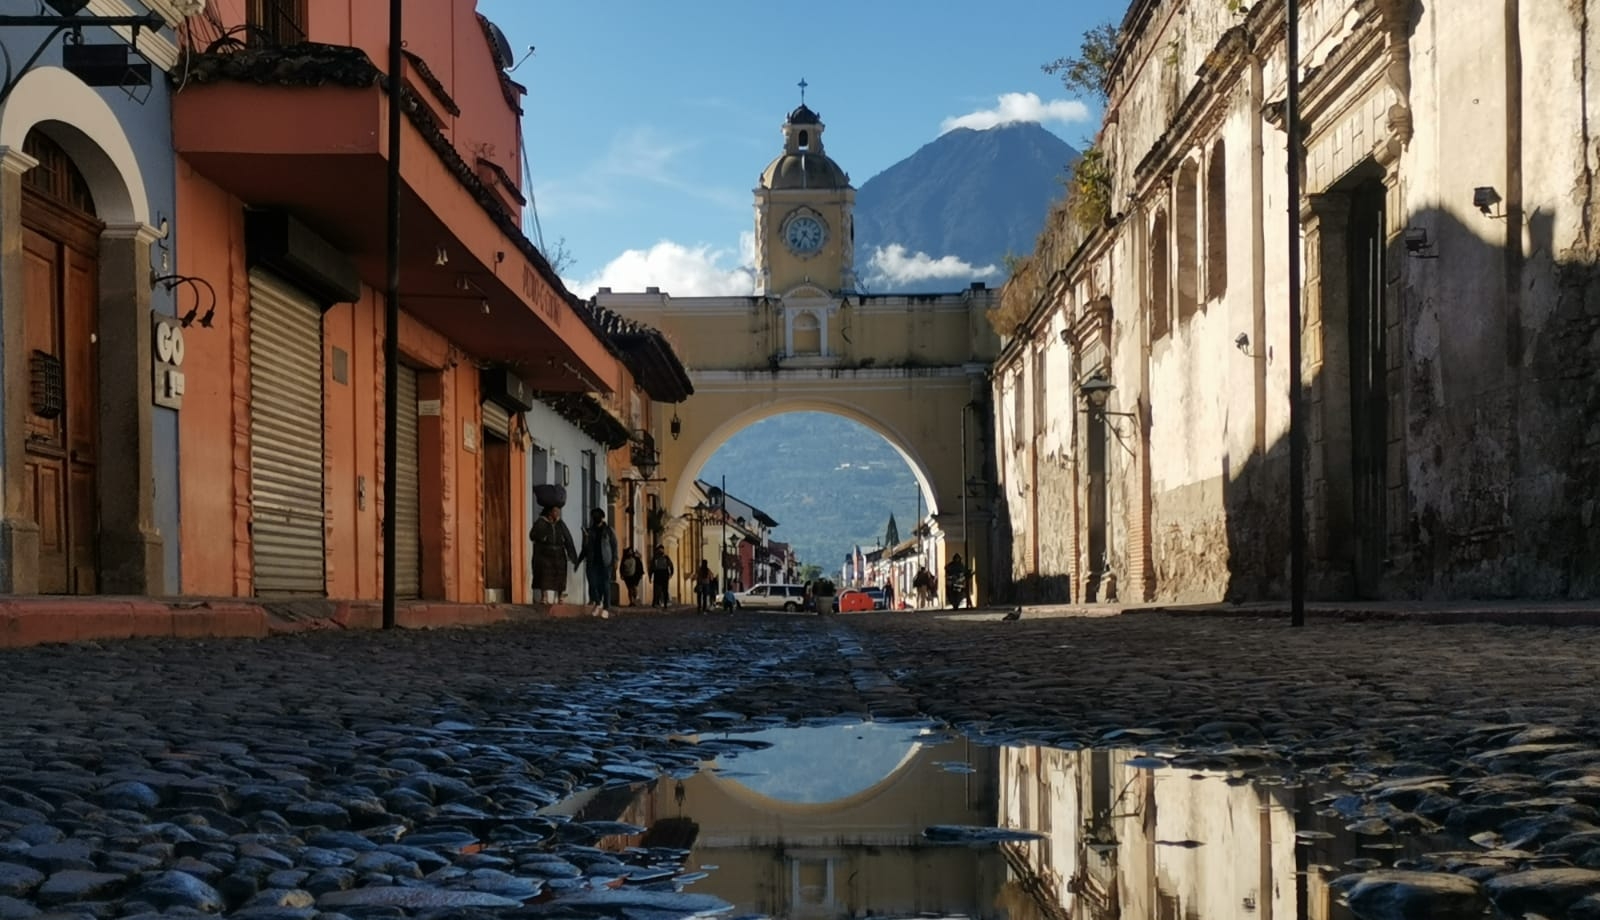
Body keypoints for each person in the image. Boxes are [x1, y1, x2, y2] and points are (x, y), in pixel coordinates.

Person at [529, 501, 577, 605]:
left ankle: (560, 597)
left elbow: (568, 538)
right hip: (545, 554)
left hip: (559, 553)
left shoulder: (560, 524)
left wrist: (572, 554)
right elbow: (533, 535)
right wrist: (542, 537)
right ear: (550, 512)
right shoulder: (541, 522)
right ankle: (544, 597)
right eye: (555, 511)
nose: (557, 513)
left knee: (560, 576)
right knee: (544, 576)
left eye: (558, 511)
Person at [575, 508, 618, 618]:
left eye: (597, 515)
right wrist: (578, 561)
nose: (595, 517)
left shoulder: (609, 530)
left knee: (605, 584)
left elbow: (614, 546)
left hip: (605, 561)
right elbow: (585, 548)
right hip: (592, 561)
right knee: (593, 584)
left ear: (602, 517)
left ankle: (606, 608)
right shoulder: (590, 531)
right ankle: (598, 603)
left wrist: (615, 560)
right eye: (594, 515)